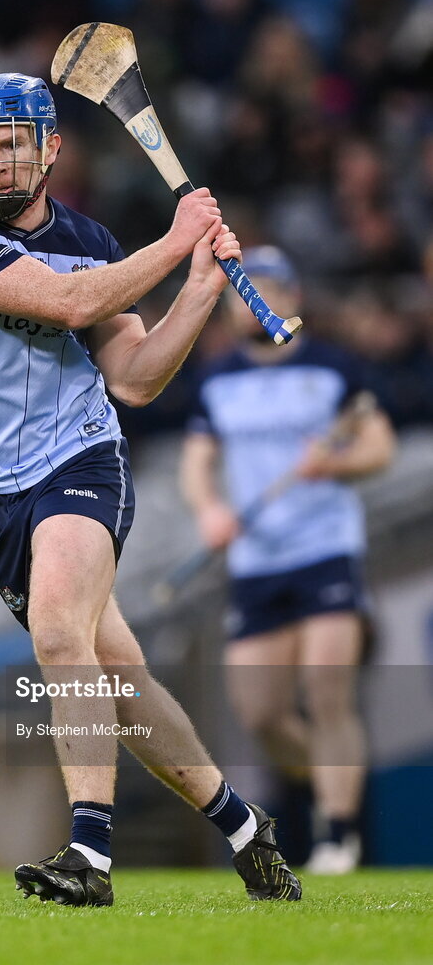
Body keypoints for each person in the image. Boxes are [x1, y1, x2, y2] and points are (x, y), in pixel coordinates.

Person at [0, 74, 301, 906]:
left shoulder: (87, 235)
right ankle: (242, 825)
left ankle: (88, 857)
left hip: (78, 457)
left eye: (9, 143)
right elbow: (65, 302)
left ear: (49, 148)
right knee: (117, 677)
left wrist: (196, 285)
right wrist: (175, 242)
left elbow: (134, 378)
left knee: (59, 631)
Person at [180, 246, 395, 874]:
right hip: (256, 562)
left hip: (325, 549)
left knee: (327, 691)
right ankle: (334, 774)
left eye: (269, 288)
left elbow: (377, 444)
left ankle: (338, 834)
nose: (257, 299)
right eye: (246, 291)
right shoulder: (217, 379)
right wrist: (210, 511)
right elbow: (197, 463)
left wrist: (336, 462)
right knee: (262, 714)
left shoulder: (334, 368)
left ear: (293, 297)